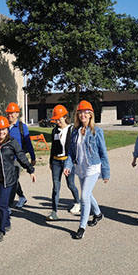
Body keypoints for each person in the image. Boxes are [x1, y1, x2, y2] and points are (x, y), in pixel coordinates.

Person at [0, 114, 35, 243]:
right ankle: (6, 222)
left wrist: (30, 169)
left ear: (7, 129)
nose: (1, 132)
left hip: (7, 179)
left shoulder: (12, 143)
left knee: (2, 205)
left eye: (4, 129)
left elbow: (21, 156)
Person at [64, 100, 110, 240]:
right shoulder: (75, 131)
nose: (83, 115)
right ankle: (98, 214)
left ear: (90, 115)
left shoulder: (97, 131)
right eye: (80, 112)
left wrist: (106, 172)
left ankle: (82, 227)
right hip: (80, 167)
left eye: (86, 112)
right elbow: (71, 152)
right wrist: (68, 165)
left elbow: (103, 152)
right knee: (88, 194)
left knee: (84, 196)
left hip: (93, 167)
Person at [47, 105, 81, 221]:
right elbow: (53, 147)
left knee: (70, 184)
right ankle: (54, 211)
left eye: (59, 119)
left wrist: (75, 161)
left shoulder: (72, 129)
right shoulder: (54, 131)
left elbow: (75, 147)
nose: (57, 122)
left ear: (65, 117)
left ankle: (77, 202)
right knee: (56, 187)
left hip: (68, 161)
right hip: (56, 161)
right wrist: (50, 161)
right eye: (56, 120)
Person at [5, 102, 36, 209]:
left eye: (12, 113)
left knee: (13, 180)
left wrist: (33, 157)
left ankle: (8, 206)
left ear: (17, 114)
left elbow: (28, 143)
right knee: (11, 180)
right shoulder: (4, 126)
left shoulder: (22, 127)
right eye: (8, 113)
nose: (10, 115)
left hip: (17, 158)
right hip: (6, 159)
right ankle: (22, 197)